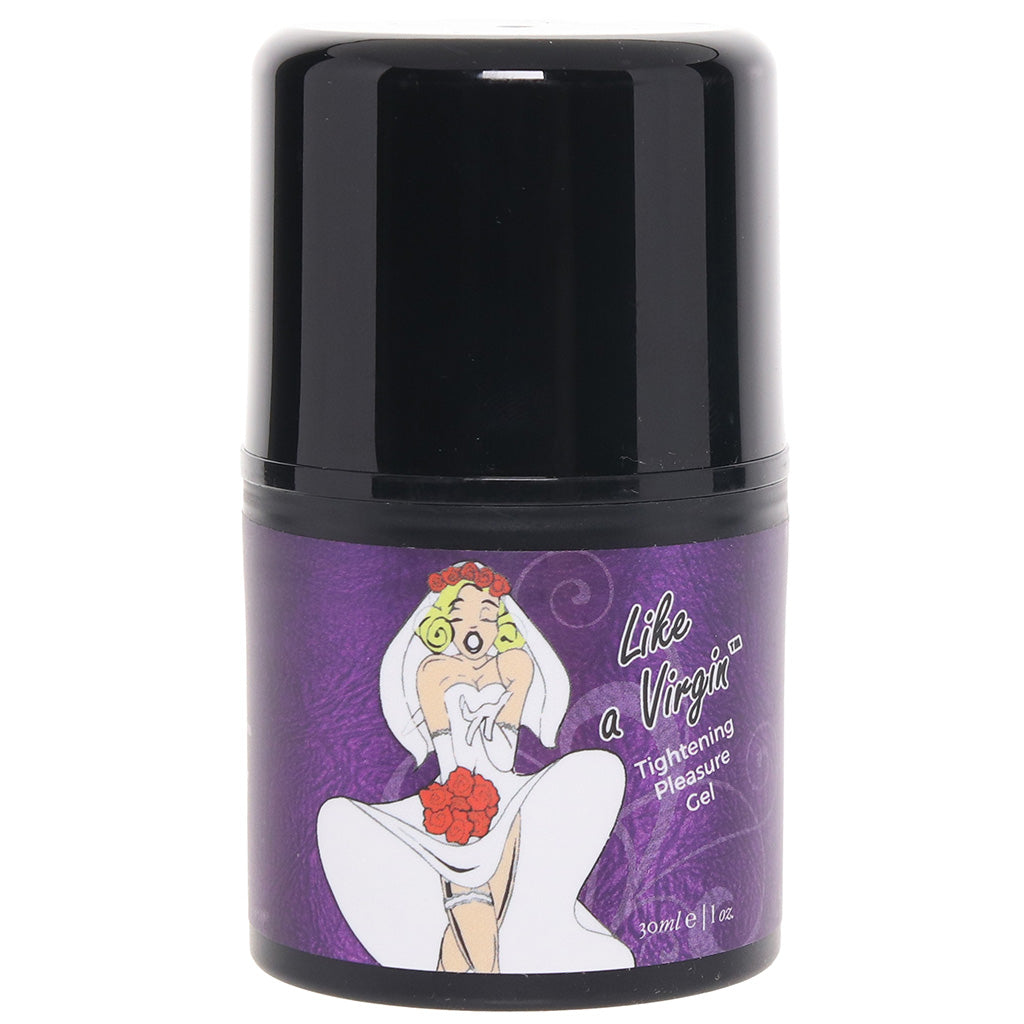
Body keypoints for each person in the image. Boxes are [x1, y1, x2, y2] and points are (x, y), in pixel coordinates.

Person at [317, 560, 634, 974]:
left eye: (487, 615)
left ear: (499, 622)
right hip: (455, 795)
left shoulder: (516, 664)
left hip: (506, 791)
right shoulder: (433, 671)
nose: (475, 626)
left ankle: (450, 983)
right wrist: (460, 803)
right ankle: (486, 979)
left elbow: (504, 748)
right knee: (469, 895)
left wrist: (494, 741)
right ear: (443, 623)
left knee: (493, 900)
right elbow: (445, 747)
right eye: (461, 615)